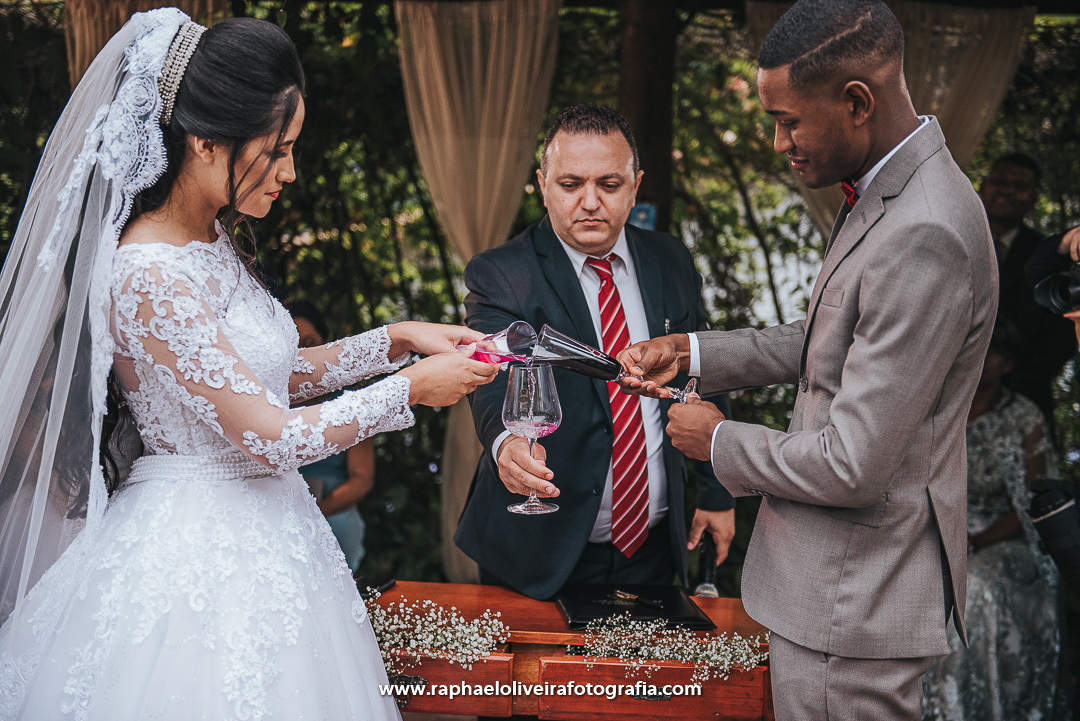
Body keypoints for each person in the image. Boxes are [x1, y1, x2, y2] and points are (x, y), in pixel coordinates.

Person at [0, 10, 496, 720]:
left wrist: (397, 339)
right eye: (277, 150)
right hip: (197, 552)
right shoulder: (149, 272)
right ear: (205, 142)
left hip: (273, 529)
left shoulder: (210, 241)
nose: (291, 171)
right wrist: (407, 391)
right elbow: (268, 434)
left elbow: (263, 378)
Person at [617, 1, 997, 718]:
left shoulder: (926, 230)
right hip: (837, 596)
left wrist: (718, 441)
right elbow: (828, 334)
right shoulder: (891, 190)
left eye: (789, 121)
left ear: (856, 102)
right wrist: (690, 351)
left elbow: (853, 463)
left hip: (853, 604)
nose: (778, 142)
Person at [454, 104, 736, 600]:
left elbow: (702, 369)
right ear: (543, 184)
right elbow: (489, 379)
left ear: (635, 186)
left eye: (609, 184)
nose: (590, 202)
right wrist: (507, 443)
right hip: (536, 549)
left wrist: (717, 491)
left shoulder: (670, 259)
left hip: (652, 545)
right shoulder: (500, 273)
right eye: (570, 184)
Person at [922, 319, 1067, 720]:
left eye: (994, 352)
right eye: (978, 348)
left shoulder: (1024, 418)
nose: (983, 359)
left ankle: (963, 710)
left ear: (1008, 363)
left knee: (973, 588)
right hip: (939, 533)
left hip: (1004, 540)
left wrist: (974, 542)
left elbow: (1031, 506)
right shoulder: (942, 410)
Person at [980, 154, 1076, 427]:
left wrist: (998, 383)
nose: (1007, 190)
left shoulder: (1052, 258)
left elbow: (1061, 337)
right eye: (1000, 181)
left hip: (1020, 406)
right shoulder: (948, 236)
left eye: (1019, 186)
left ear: (1034, 198)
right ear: (984, 185)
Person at [284, 298, 375, 573]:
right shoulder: (266, 403)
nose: (302, 354)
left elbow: (362, 479)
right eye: (294, 346)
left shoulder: (349, 403)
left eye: (310, 343)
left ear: (326, 344)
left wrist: (317, 512)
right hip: (278, 506)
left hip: (333, 510)